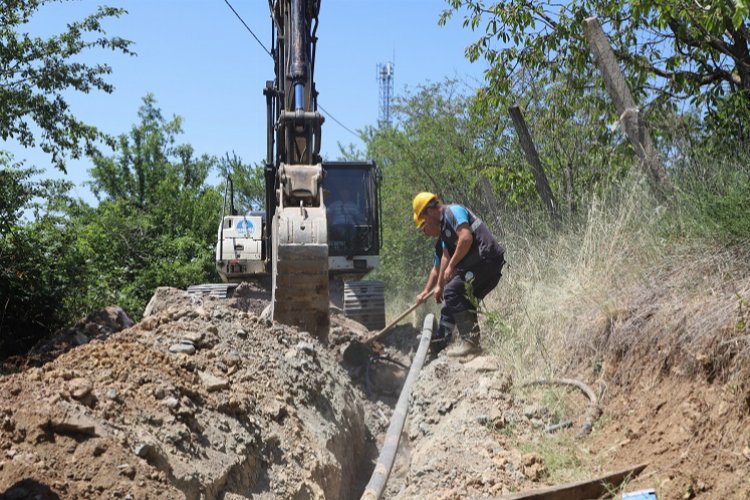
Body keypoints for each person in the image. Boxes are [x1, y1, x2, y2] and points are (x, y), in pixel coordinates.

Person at [413, 192, 505, 359]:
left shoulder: (453, 212)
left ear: (428, 211)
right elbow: (444, 258)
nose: (425, 230)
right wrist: (436, 286)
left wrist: (452, 267)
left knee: (452, 292)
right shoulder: (443, 230)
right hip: (479, 264)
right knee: (458, 298)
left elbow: (466, 239)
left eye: (424, 222)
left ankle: (470, 343)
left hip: (487, 259)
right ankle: (457, 344)